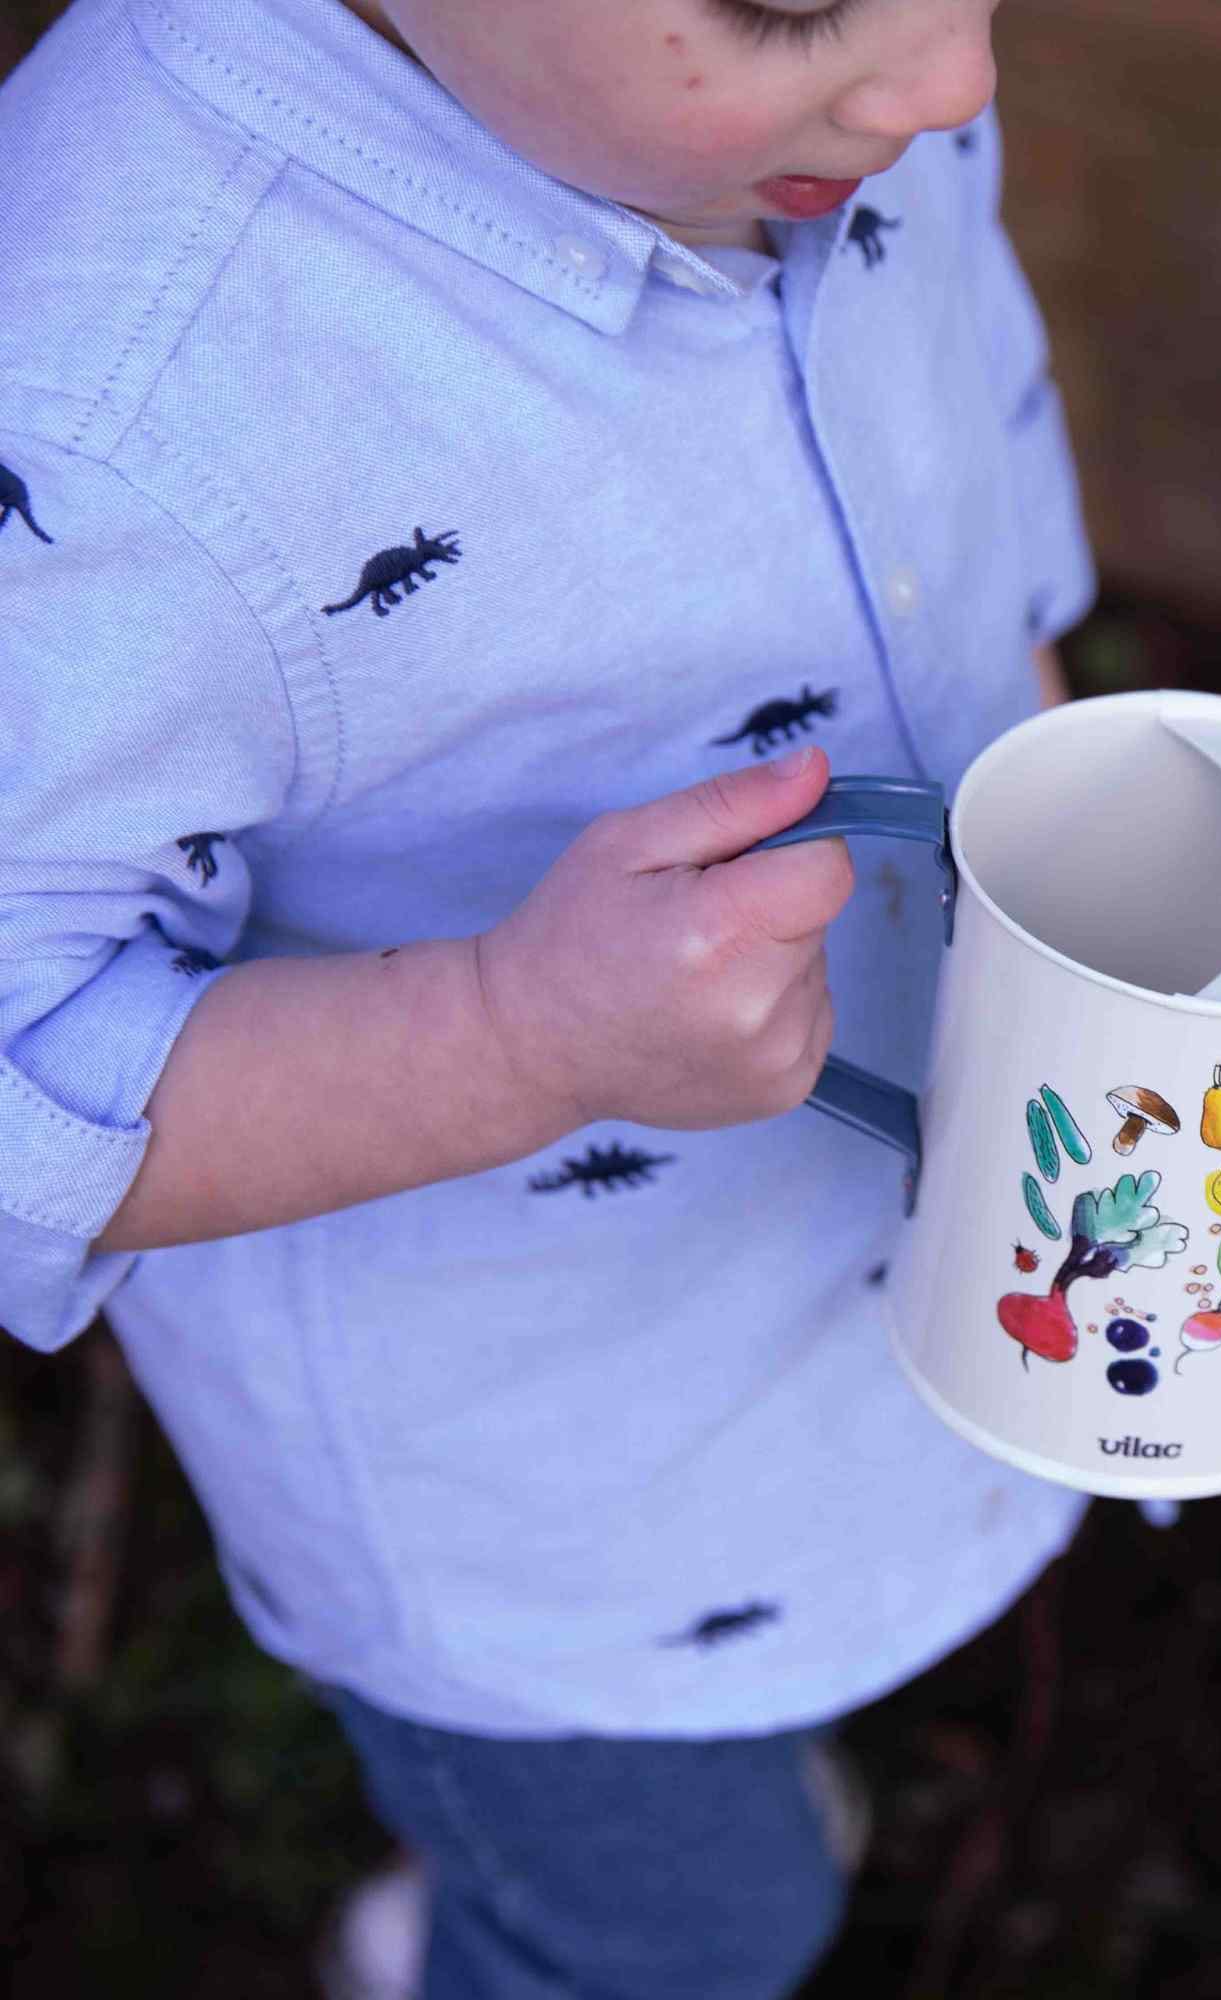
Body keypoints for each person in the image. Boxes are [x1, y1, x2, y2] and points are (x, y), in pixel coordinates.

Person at [0, 0, 1098, 1992]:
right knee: (680, 1924)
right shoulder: (108, 394)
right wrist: (511, 1036)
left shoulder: (820, 120)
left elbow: (972, 481)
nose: (956, 83)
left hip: (836, 1313)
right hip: (532, 1489)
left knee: (731, 1785)